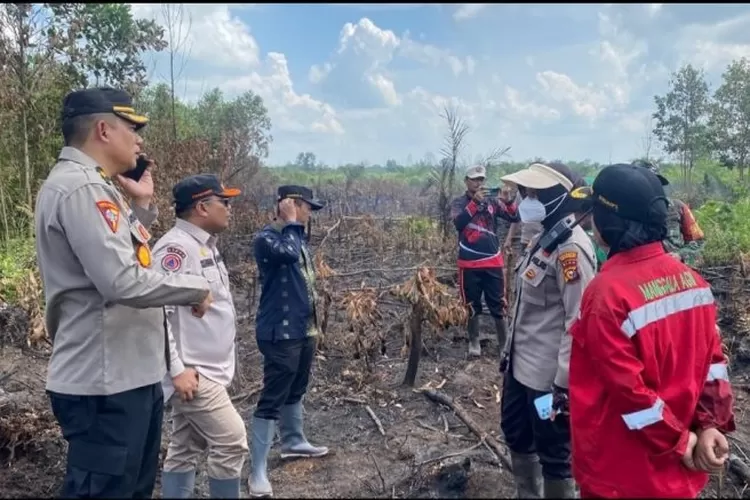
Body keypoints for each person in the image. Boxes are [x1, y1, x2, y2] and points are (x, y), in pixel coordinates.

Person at [34, 87, 213, 498]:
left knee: (130, 489)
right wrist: (194, 289)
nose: (139, 138)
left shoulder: (98, 187)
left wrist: (143, 207)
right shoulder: (80, 189)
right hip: (104, 383)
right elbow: (121, 280)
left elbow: (122, 255)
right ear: (103, 129)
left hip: (127, 375)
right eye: (132, 128)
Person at [568, 163, 736, 498]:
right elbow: (714, 366)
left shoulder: (607, 295)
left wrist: (680, 441)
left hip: (623, 475)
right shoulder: (695, 284)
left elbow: (629, 392)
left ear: (606, 225)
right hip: (678, 474)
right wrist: (709, 426)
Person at [498, 162, 596, 499]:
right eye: (527, 193)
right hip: (519, 367)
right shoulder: (543, 235)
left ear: (560, 198)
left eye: (536, 194)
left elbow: (578, 322)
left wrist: (563, 385)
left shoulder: (572, 249)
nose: (528, 199)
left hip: (548, 381)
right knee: (516, 434)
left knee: (554, 453)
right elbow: (525, 304)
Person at [153, 174, 247, 498]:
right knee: (232, 441)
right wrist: (176, 369)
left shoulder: (204, 246)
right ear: (202, 207)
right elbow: (156, 313)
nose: (230, 208)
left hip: (208, 369)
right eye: (225, 201)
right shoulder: (175, 249)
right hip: (194, 372)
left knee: (184, 447)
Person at [248, 185, 330, 498]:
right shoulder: (268, 238)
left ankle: (293, 441)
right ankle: (257, 470)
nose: (309, 214)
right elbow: (288, 254)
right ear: (291, 205)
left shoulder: (295, 236)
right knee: (273, 395)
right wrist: (292, 221)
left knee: (297, 386)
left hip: (303, 329)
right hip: (279, 332)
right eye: (306, 207)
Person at [450, 164, 519, 358]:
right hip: (468, 263)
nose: (478, 183)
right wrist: (473, 204)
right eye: (474, 179)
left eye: (481, 179)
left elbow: (514, 217)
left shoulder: (492, 202)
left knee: (498, 304)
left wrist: (509, 201)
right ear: (466, 181)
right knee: (471, 305)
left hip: (492, 262)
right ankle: (473, 341)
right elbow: (458, 223)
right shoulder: (459, 203)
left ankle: (504, 344)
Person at [632, 159, 705, 267]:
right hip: (640, 276)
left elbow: (698, 242)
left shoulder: (678, 207)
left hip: (674, 273)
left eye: (652, 181)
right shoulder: (623, 212)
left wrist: (680, 255)